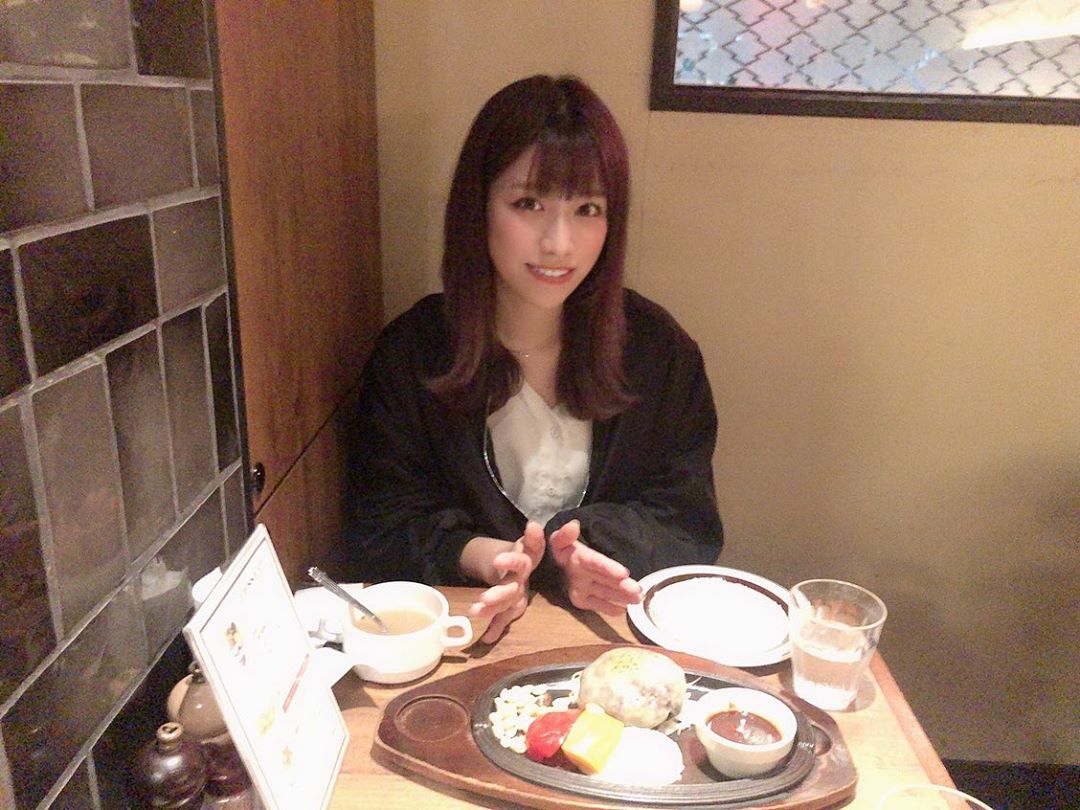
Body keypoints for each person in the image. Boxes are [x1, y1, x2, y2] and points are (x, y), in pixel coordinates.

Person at [345, 74, 723, 642]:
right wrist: (481, 556)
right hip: (471, 636)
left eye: (588, 208)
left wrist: (585, 551)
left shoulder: (658, 352)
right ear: (478, 207)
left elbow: (688, 520)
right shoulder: (413, 353)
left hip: (611, 642)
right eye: (528, 203)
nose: (559, 243)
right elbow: (380, 521)